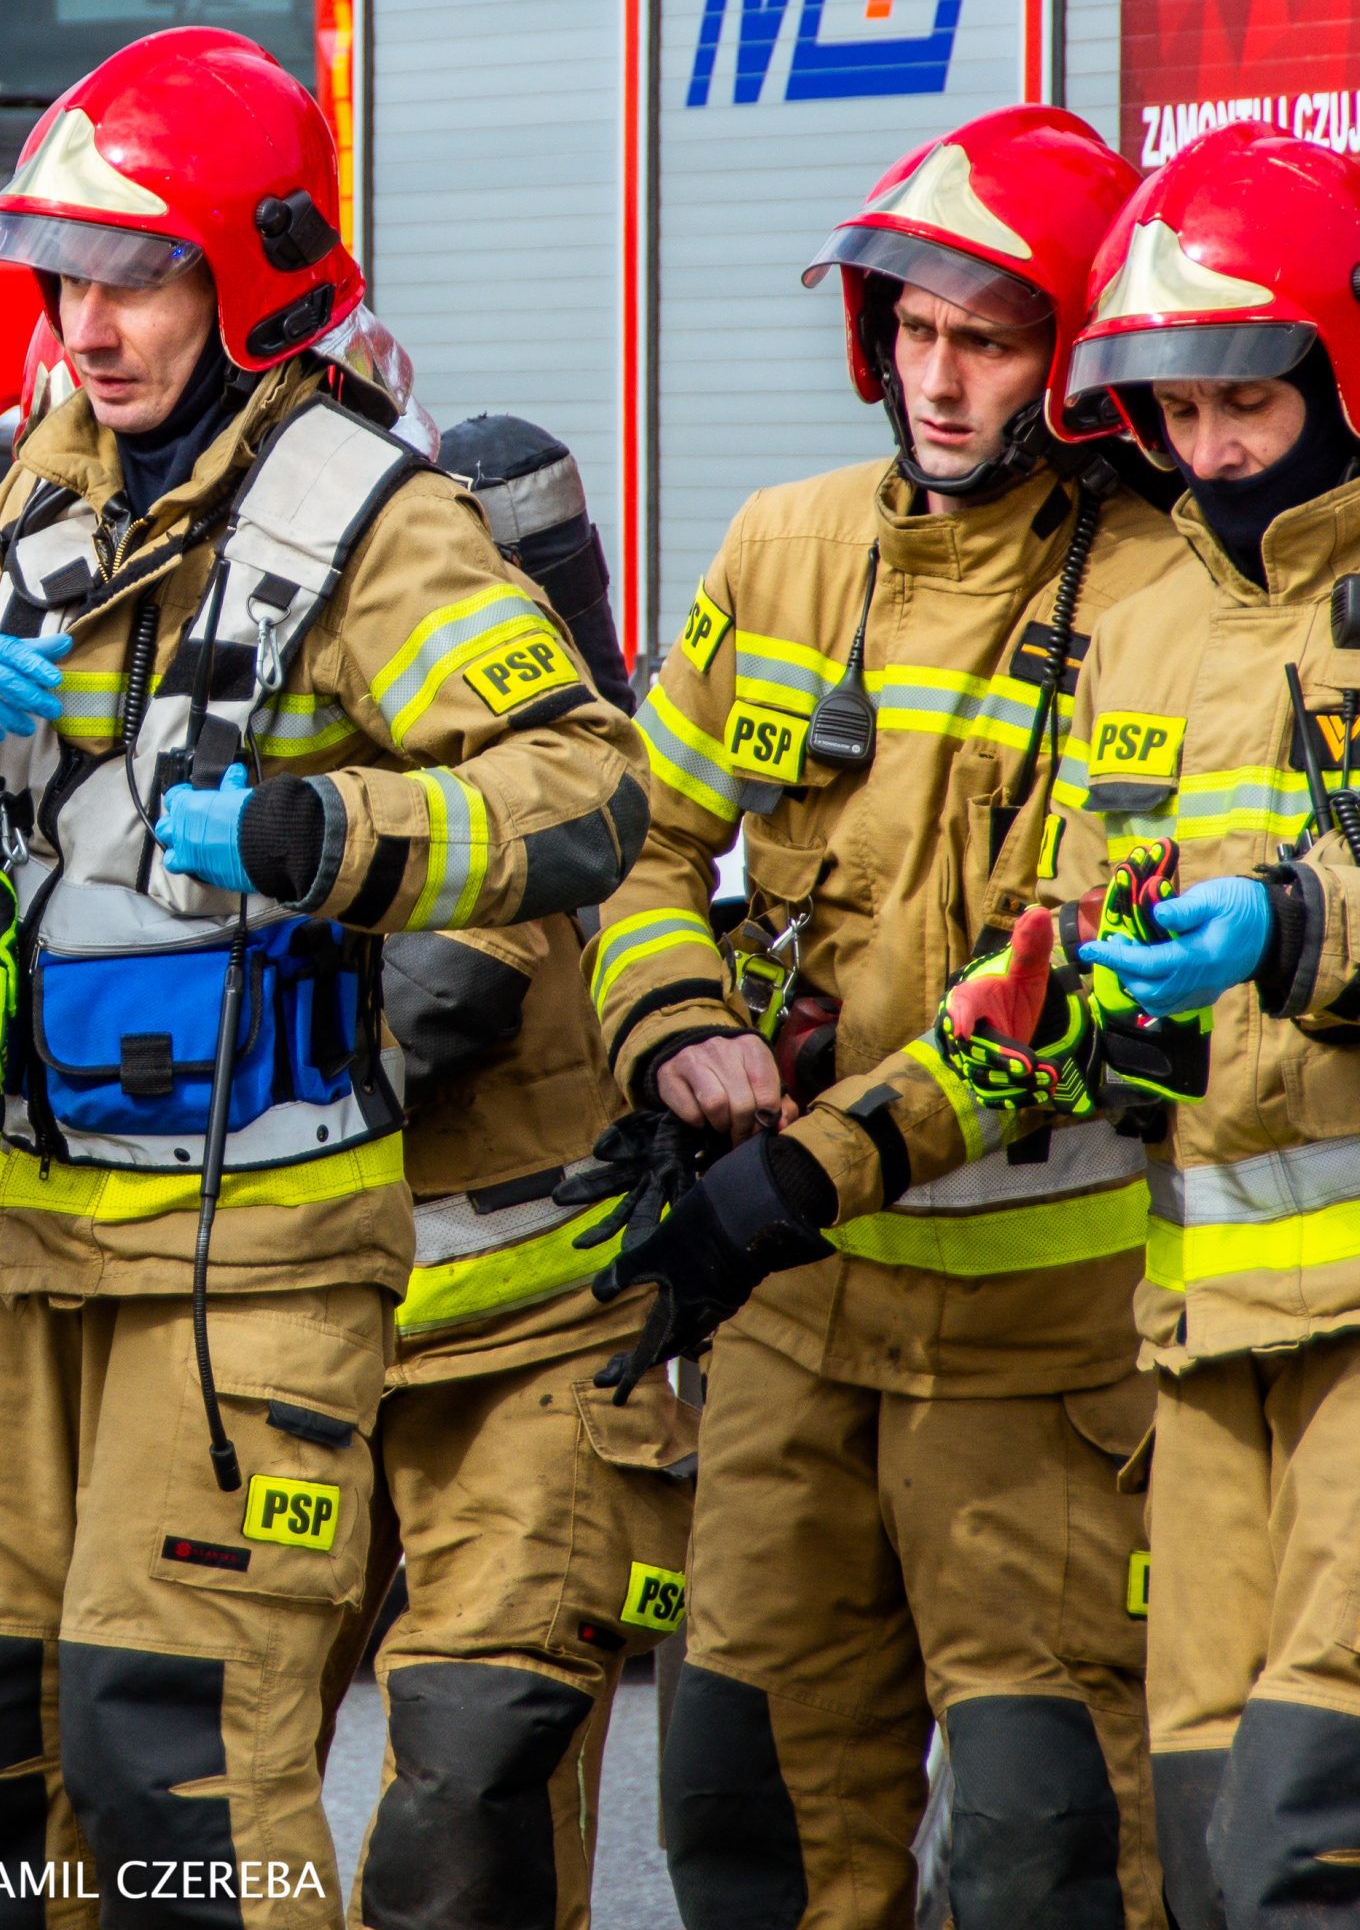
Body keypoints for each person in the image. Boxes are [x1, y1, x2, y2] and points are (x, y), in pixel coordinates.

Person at [0, 26, 649, 1923]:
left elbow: (586, 790)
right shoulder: (42, 488)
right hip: (12, 1238)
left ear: (249, 282)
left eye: (137, 277)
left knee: (170, 1768)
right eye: (65, 283)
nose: (89, 328)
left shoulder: (372, 517)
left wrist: (321, 834)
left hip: (244, 1252)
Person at [732, 121, 1360, 1928]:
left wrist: (1298, 921)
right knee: (1213, 1846)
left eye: (1248, 402)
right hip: (1205, 1331)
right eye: (1177, 408)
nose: (1210, 450)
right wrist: (817, 1169)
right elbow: (1045, 987)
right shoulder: (1147, 631)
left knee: (1308, 1839)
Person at [581, 106, 1178, 1930]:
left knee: (1046, 1850)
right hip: (788, 1334)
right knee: (744, 1818)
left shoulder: (1166, 595)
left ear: (1071, 363)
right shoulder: (785, 546)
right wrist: (679, 1026)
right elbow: (640, 844)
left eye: (985, 340)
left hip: (1036, 1361)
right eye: (911, 329)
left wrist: (812, 1165)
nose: (936, 376)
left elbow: (1071, 988)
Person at [327, 416, 695, 1930]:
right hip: (300, 1328)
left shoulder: (556, 769)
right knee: (180, 1772)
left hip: (535, 1348)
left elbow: (442, 1003)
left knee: (480, 1793)